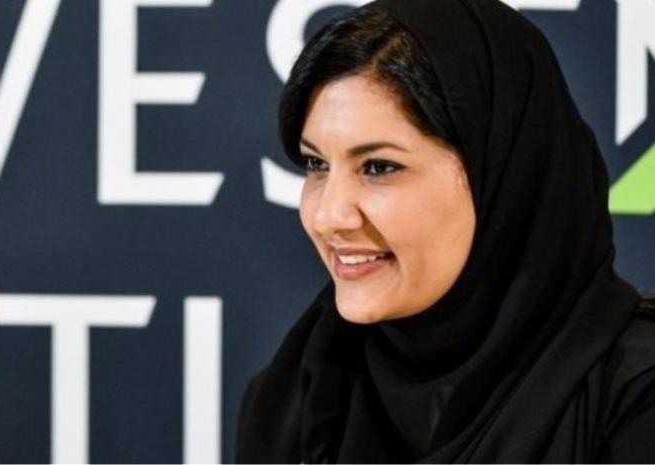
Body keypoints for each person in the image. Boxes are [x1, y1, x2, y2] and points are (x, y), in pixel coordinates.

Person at [235, 0, 655, 462]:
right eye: (316, 164)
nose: (328, 216)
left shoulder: (636, 397)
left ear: (503, 176)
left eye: (378, 167)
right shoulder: (294, 400)